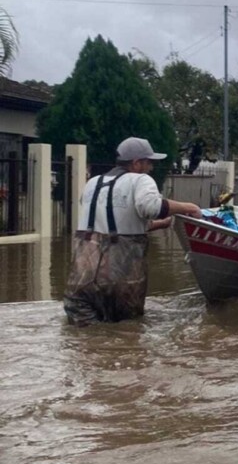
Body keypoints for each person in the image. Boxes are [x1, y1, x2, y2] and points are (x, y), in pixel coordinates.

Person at [64, 137, 202, 326]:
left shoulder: (93, 183)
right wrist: (188, 207)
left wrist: (158, 225)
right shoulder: (140, 180)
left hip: (80, 283)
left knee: (86, 341)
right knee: (127, 337)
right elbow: (151, 207)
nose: (151, 168)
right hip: (119, 283)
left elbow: (106, 223)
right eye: (149, 162)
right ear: (136, 163)